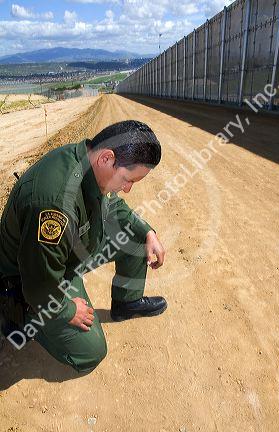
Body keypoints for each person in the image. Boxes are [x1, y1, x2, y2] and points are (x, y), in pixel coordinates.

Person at [0, 120, 167, 373]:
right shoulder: (56, 207)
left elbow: (112, 205)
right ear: (107, 158)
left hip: (67, 253)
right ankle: (19, 321)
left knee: (134, 237)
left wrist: (147, 231)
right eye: (128, 180)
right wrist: (67, 309)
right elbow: (39, 283)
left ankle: (126, 303)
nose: (128, 189)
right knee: (91, 351)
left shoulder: (90, 159)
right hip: (27, 280)